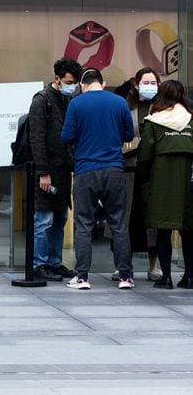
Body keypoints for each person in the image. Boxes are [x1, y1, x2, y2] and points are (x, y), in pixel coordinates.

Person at [61, 68, 135, 290]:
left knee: (83, 224)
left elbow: (66, 136)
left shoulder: (76, 104)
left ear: (83, 85)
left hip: (86, 170)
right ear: (103, 83)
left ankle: (82, 277)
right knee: (119, 224)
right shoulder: (119, 102)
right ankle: (125, 277)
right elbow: (129, 135)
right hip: (114, 169)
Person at [135, 80, 193, 289]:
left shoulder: (154, 121)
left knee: (163, 231)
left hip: (161, 185)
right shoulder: (191, 120)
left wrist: (143, 183)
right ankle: (189, 276)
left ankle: (166, 277)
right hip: (188, 185)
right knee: (188, 232)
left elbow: (144, 157)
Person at [29, 57, 82, 283]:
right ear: (57, 79)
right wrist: (43, 171)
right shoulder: (42, 100)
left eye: (76, 82)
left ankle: (54, 261)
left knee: (60, 218)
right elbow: (37, 137)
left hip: (63, 170)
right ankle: (39, 264)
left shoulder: (67, 100)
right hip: (47, 170)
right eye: (69, 81)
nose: (73, 86)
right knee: (43, 220)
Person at [116, 67, 162, 281]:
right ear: (136, 84)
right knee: (124, 218)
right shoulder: (126, 105)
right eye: (146, 82)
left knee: (153, 219)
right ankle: (123, 266)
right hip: (128, 168)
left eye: (154, 82)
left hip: (154, 171)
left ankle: (154, 266)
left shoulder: (162, 107)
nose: (150, 86)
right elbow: (117, 135)